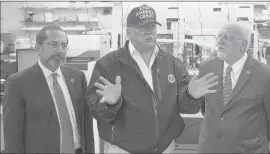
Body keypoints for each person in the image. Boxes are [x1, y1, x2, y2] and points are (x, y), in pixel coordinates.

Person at [85, 4, 217, 153]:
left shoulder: (172, 63)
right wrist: (111, 103)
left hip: (165, 148)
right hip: (124, 150)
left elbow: (186, 107)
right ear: (129, 33)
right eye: (142, 29)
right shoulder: (107, 65)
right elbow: (96, 110)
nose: (149, 33)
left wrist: (191, 96)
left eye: (153, 28)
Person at [2, 25, 94, 153]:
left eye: (64, 45)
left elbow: (86, 124)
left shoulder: (78, 77)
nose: (60, 50)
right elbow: (12, 135)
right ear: (38, 48)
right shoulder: (18, 83)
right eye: (53, 44)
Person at [196, 23, 270, 153]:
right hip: (210, 148)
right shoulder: (207, 68)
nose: (219, 41)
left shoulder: (267, 75)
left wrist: (253, 141)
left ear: (243, 45)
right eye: (219, 36)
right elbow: (204, 106)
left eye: (227, 38)